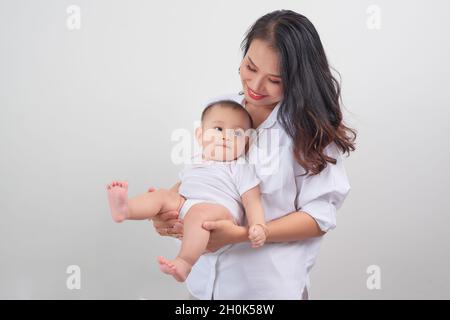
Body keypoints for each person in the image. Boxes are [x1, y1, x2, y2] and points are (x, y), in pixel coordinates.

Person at [151, 9, 356, 299]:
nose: (256, 86)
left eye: (275, 80)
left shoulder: (312, 132)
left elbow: (319, 217)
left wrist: (246, 234)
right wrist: (166, 210)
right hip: (203, 286)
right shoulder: (220, 107)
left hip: (265, 290)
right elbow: (206, 170)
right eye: (250, 67)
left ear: (299, 79)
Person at [106, 100, 268, 282]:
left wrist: (258, 225)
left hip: (221, 213)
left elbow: (252, 201)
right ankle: (126, 209)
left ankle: (184, 262)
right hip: (186, 205)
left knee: (199, 213)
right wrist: (160, 201)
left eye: (237, 133)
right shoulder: (195, 160)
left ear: (245, 143)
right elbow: (181, 186)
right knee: (161, 195)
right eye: (218, 129)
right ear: (200, 135)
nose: (226, 137)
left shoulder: (240, 167)